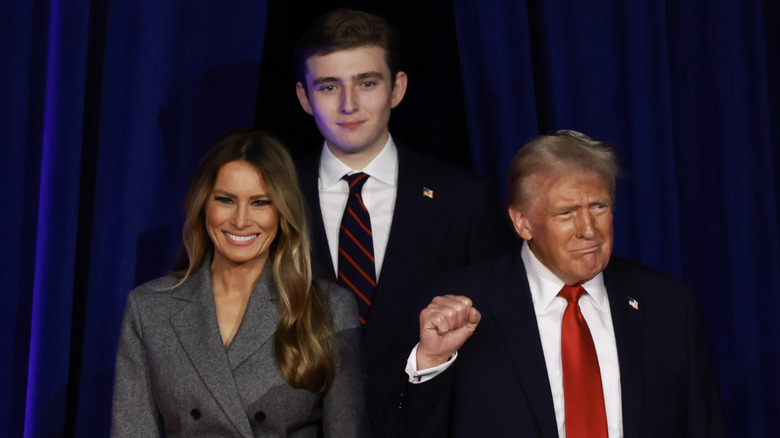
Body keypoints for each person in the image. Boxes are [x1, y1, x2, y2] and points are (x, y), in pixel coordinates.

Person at [404, 130, 728, 437]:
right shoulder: (463, 307)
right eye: (566, 213)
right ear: (522, 222)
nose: (589, 229)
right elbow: (405, 428)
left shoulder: (668, 305)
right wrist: (431, 363)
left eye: (599, 207)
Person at [292, 8, 515, 431]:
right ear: (304, 97)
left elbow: (498, 340)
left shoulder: (463, 199)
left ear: (397, 88)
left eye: (367, 83)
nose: (349, 104)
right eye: (328, 86)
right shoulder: (273, 198)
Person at [111, 130, 368, 437]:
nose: (241, 220)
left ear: (282, 211)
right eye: (226, 200)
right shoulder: (148, 308)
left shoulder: (329, 307)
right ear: (203, 203)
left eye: (260, 202)